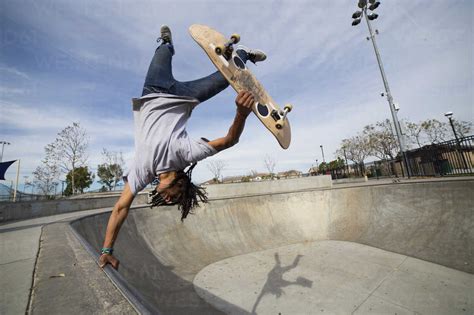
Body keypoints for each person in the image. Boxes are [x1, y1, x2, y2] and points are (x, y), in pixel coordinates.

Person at [99, 26, 267, 269]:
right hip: (185, 96)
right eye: (173, 196)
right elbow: (230, 140)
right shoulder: (185, 155)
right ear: (181, 183)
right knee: (230, 77)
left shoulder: (142, 172)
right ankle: (242, 54)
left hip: (152, 89)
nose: (165, 197)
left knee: (163, 51)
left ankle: (169, 44)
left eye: (166, 199)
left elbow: (120, 208)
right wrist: (241, 114)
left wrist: (107, 250)